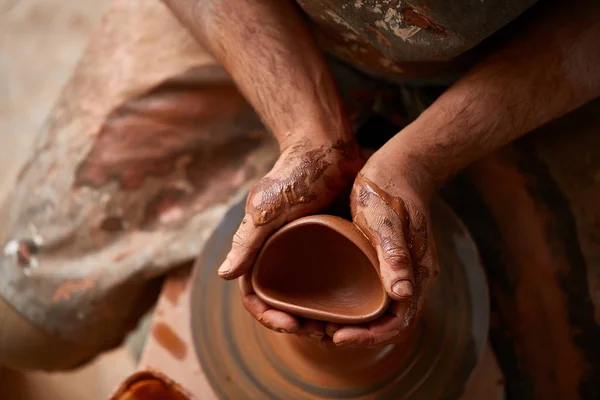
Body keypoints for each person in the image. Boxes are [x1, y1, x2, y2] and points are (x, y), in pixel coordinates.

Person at [0, 0, 599, 396]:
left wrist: (423, 157)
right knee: (25, 324)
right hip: (265, 22)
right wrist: (307, 131)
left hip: (533, 64)